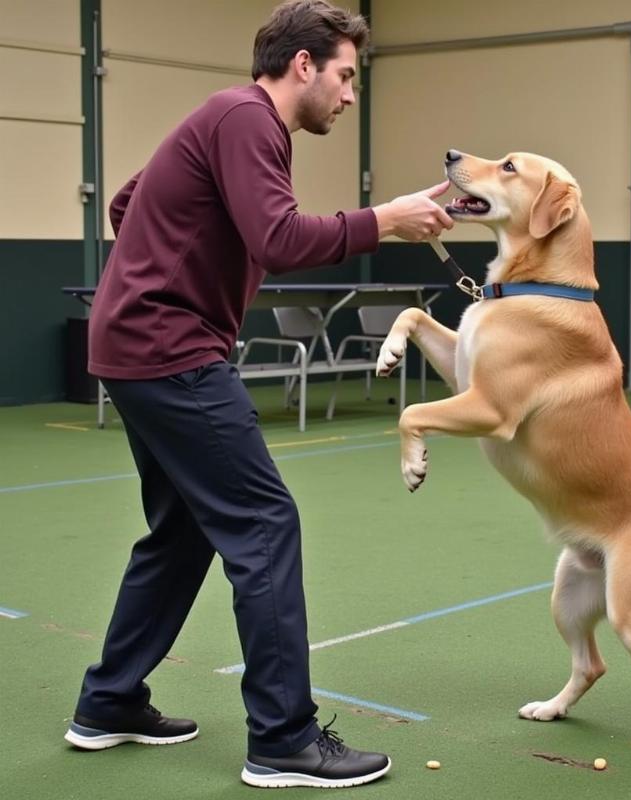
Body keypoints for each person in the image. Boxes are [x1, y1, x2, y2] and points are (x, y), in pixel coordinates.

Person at [63, 0, 452, 789]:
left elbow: (127, 206)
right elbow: (277, 239)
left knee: (181, 532)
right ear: (302, 65)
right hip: (171, 353)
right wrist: (383, 218)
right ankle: (284, 739)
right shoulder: (248, 120)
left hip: (135, 345)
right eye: (345, 77)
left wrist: (166, 264)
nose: (349, 95)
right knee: (265, 525)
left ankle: (108, 702)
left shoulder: (228, 120)